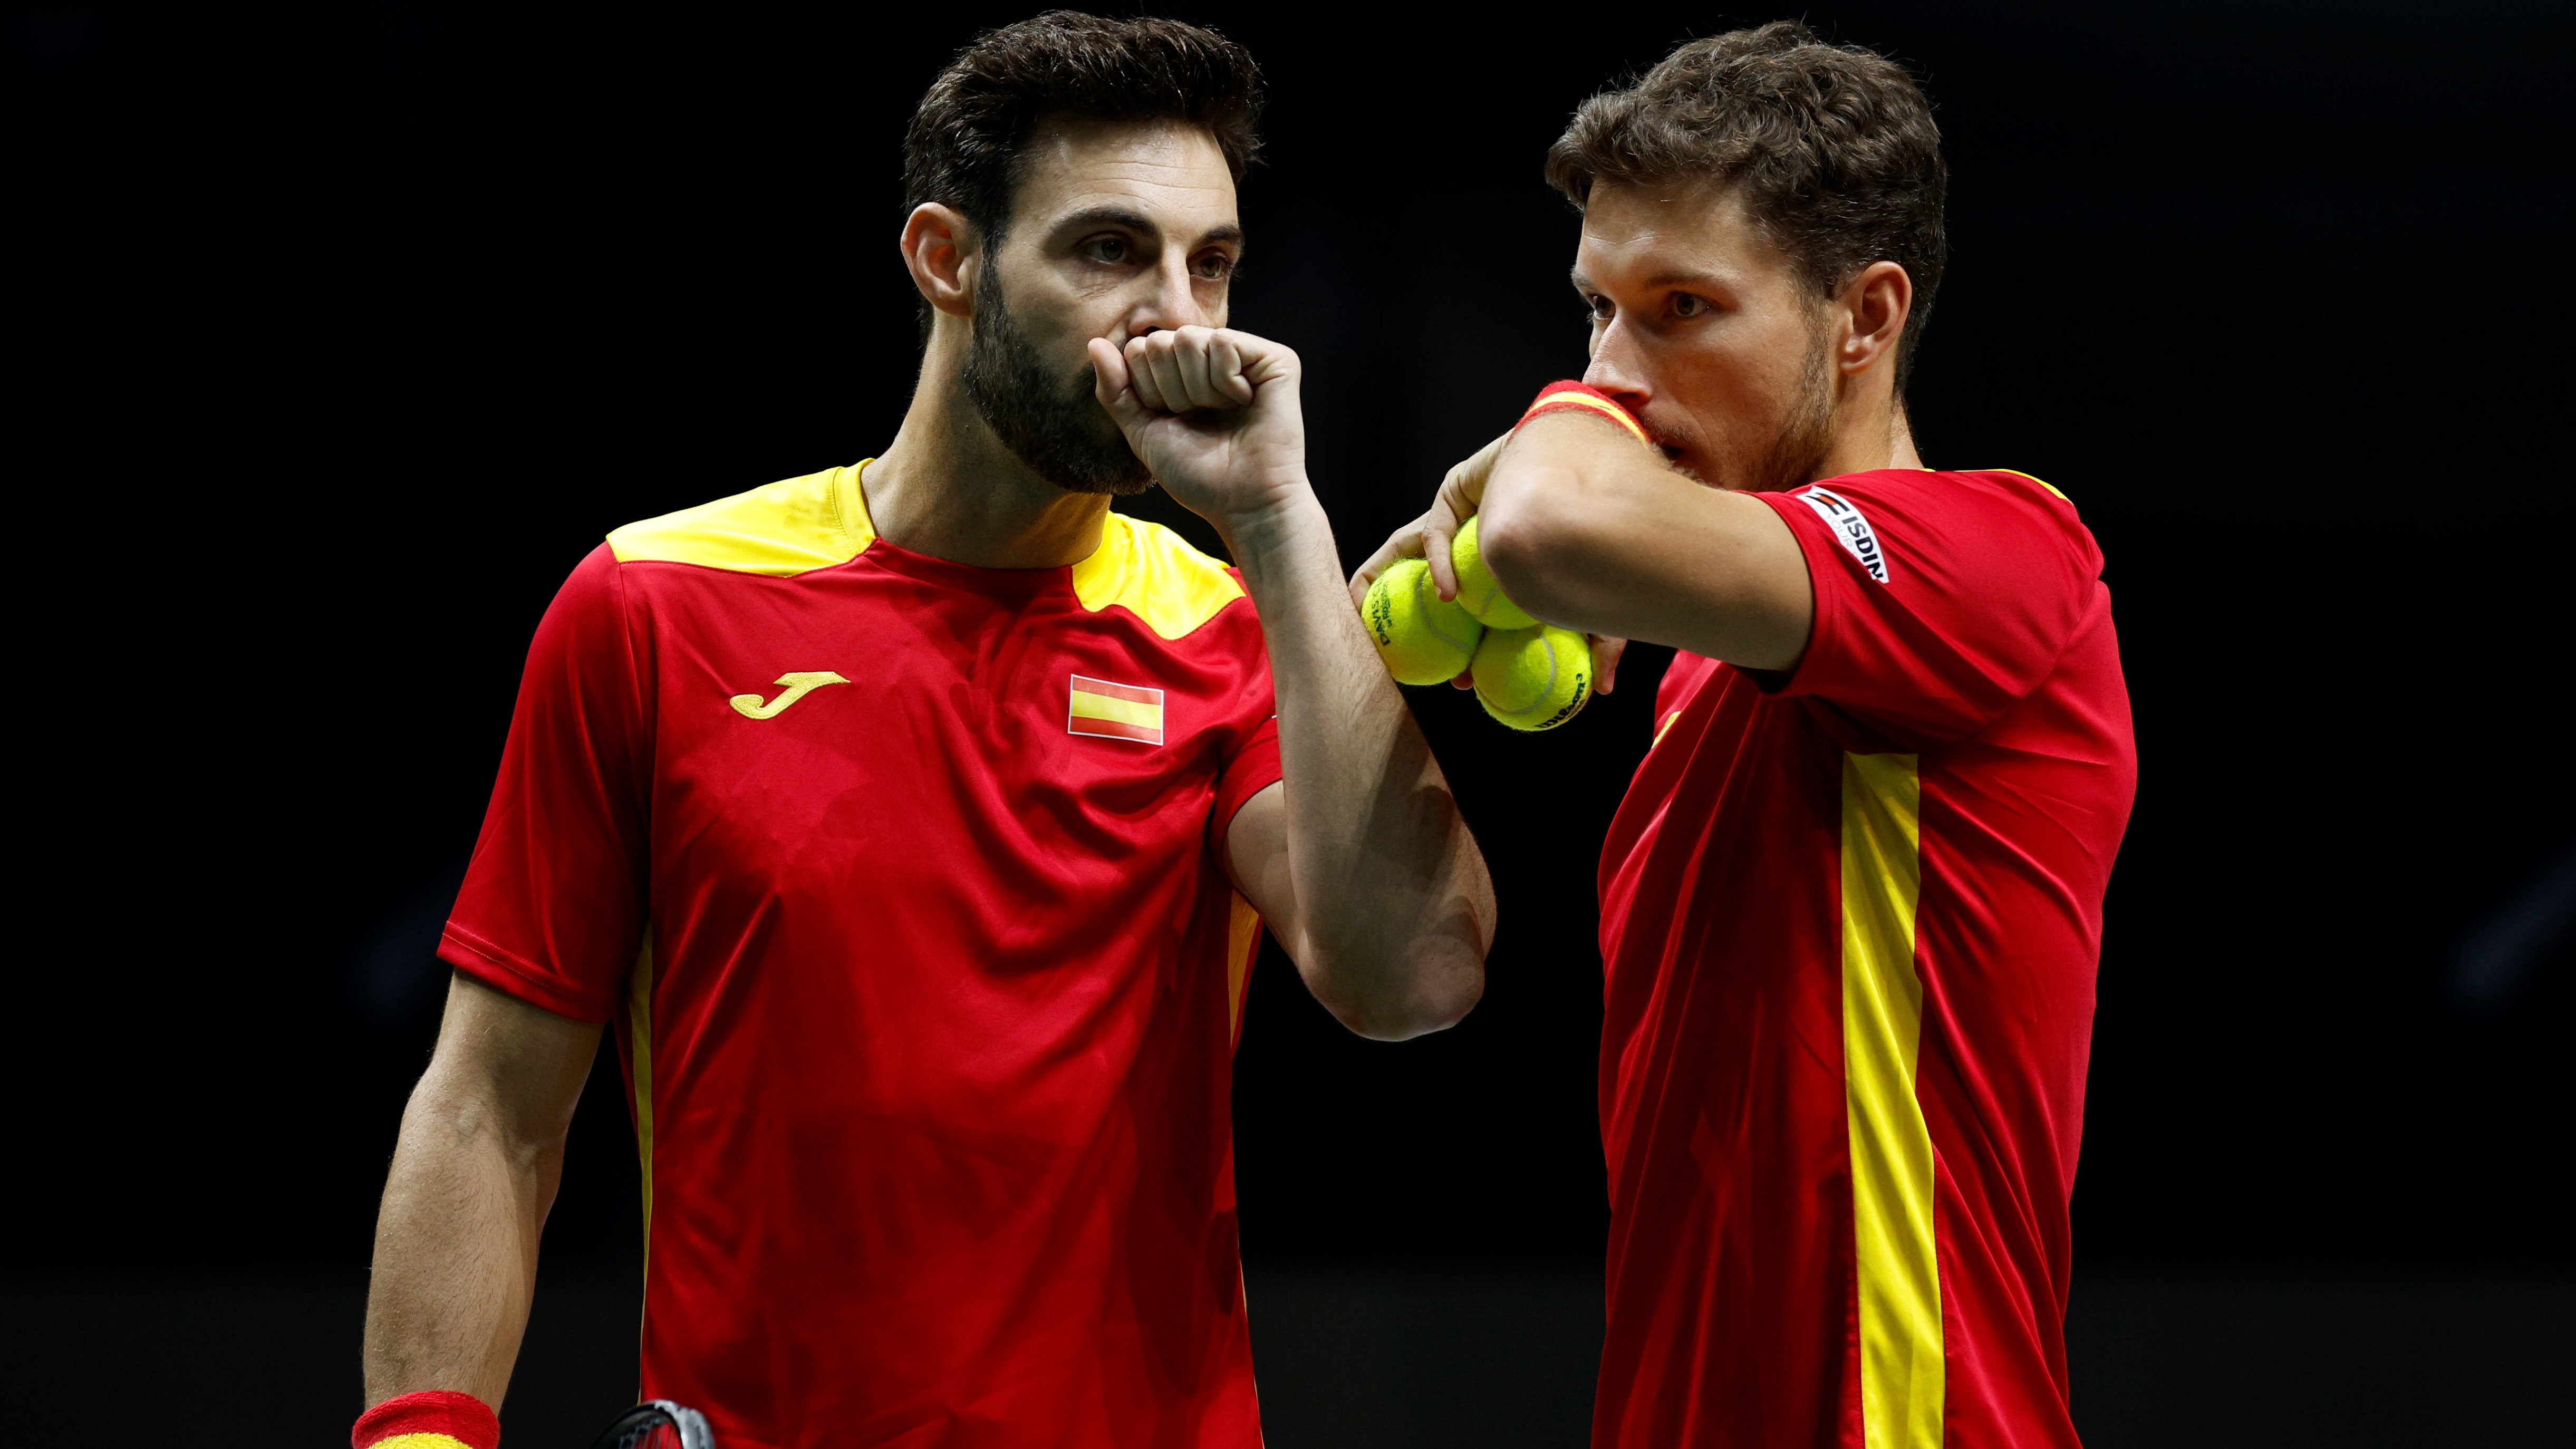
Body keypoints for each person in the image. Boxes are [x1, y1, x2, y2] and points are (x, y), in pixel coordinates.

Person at [354, 14, 1493, 1449]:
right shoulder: (656, 604)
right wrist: (421, 1434)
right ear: (948, 260)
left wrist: (1279, 521)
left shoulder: (1234, 634)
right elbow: (491, 1109)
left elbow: (1414, 976)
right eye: (1108, 251)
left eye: (1210, 263)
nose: (1180, 318)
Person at [1356, 23, 2137, 1449]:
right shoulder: (1699, 683)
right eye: (1597, 312)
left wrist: (1548, 441)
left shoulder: (2002, 552)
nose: (1616, 368)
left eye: (1682, 309)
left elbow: (1547, 525)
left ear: (1864, 319)